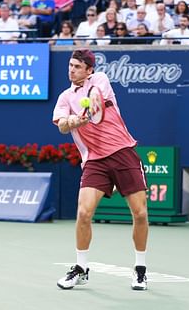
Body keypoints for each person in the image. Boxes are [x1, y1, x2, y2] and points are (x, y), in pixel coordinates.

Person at [53, 49, 149, 291]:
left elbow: (96, 102)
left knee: (140, 214)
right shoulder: (65, 97)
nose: (71, 70)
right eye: (70, 65)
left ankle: (140, 270)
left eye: (77, 66)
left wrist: (83, 116)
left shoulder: (100, 80)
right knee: (84, 213)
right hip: (95, 159)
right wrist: (71, 122)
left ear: (89, 70)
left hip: (123, 152)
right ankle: (81, 268)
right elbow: (62, 126)